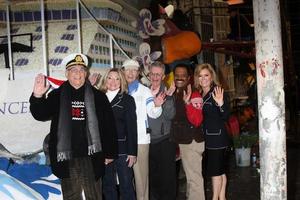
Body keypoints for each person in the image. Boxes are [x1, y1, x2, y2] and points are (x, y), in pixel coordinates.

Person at [29, 53, 118, 200]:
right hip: (66, 157)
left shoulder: (98, 97)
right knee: (71, 197)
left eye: (82, 70)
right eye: (74, 70)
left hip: (92, 156)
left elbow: (109, 126)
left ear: (86, 73)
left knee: (94, 196)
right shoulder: (56, 95)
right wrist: (37, 96)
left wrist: (110, 153)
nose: (78, 73)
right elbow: (40, 114)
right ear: (67, 73)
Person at [122, 59, 163, 200]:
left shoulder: (145, 91)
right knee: (125, 179)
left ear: (139, 73)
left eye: (134, 70)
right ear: (123, 72)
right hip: (122, 141)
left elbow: (152, 112)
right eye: (128, 70)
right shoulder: (118, 90)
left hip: (140, 140)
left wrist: (157, 105)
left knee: (141, 179)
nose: (131, 73)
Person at [99, 68, 138, 200]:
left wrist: (132, 152)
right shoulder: (98, 97)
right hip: (104, 150)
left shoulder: (127, 100)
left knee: (126, 185)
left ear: (122, 82)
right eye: (110, 77)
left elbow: (132, 128)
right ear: (105, 79)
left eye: (117, 78)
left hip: (123, 150)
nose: (113, 81)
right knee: (108, 185)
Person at [194, 63, 230, 200]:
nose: (203, 79)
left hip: (217, 139)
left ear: (211, 76)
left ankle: (215, 198)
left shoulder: (217, 91)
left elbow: (226, 116)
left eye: (206, 75)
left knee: (215, 172)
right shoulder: (201, 94)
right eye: (200, 75)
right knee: (220, 171)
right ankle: (222, 198)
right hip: (210, 138)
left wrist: (221, 104)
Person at [170, 64, 205, 200]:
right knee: (191, 179)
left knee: (194, 179)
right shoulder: (176, 92)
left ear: (188, 77)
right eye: (177, 75)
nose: (179, 77)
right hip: (185, 142)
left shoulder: (194, 93)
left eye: (183, 75)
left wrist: (188, 103)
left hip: (192, 142)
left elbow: (197, 120)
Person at [147, 61, 177, 200]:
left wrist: (169, 98)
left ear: (163, 76)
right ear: (149, 74)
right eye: (153, 73)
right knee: (153, 177)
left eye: (158, 74)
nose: (155, 77)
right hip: (148, 141)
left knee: (167, 177)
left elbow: (170, 115)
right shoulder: (144, 91)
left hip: (165, 140)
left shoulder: (167, 91)